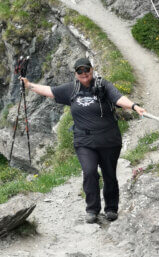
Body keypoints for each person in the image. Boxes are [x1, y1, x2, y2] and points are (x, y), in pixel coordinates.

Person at [21, 57, 145, 224]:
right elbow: (50, 90)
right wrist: (29, 86)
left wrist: (134, 106)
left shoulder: (103, 85)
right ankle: (92, 210)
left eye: (86, 70)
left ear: (92, 70)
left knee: (109, 175)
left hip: (109, 140)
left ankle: (111, 209)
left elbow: (118, 98)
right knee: (89, 172)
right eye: (80, 71)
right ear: (75, 73)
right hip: (84, 141)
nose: (84, 73)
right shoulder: (71, 89)